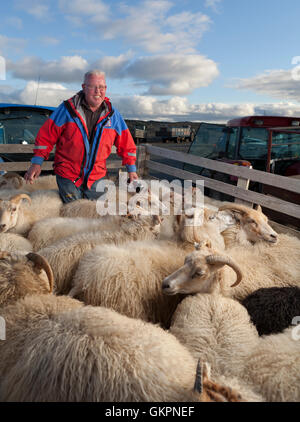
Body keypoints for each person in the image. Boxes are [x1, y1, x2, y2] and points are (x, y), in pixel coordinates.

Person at [24, 70, 138, 202]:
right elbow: (46, 137)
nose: (97, 91)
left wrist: (131, 170)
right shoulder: (67, 110)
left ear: (105, 88)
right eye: (92, 87)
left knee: (95, 214)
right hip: (68, 174)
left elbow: (127, 144)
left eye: (101, 87)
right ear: (84, 88)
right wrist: (36, 163)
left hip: (96, 176)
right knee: (74, 213)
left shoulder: (113, 116)